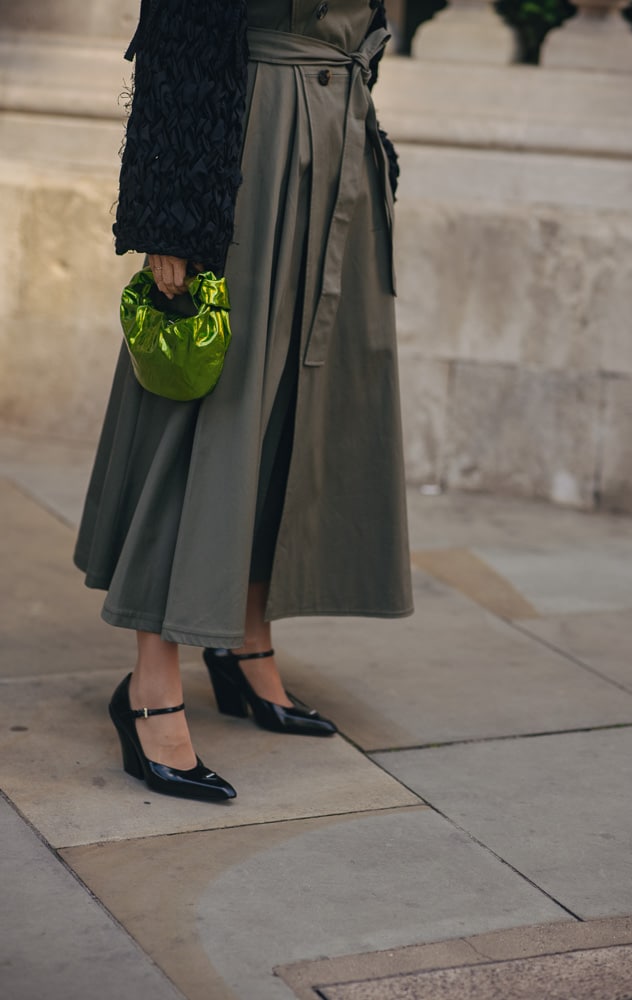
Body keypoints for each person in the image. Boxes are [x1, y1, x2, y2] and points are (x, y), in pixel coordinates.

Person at [74, 0, 414, 803]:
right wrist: (171, 219)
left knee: (297, 408)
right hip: (243, 159)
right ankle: (150, 683)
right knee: (204, 417)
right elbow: (178, 35)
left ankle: (245, 641)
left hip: (338, 151)